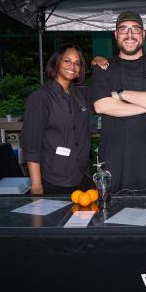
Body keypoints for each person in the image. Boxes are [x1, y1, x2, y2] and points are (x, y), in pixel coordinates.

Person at [91, 11, 146, 193]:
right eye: (123, 29)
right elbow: (102, 105)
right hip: (113, 162)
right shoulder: (103, 68)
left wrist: (120, 94)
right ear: (116, 35)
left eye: (135, 29)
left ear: (143, 34)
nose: (129, 34)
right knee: (110, 219)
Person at [21, 43, 92, 195]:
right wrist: (36, 185)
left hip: (81, 177)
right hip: (54, 179)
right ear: (57, 62)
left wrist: (98, 62)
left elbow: (106, 96)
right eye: (67, 61)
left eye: (77, 63)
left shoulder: (80, 94)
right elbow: (31, 145)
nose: (72, 66)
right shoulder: (41, 97)